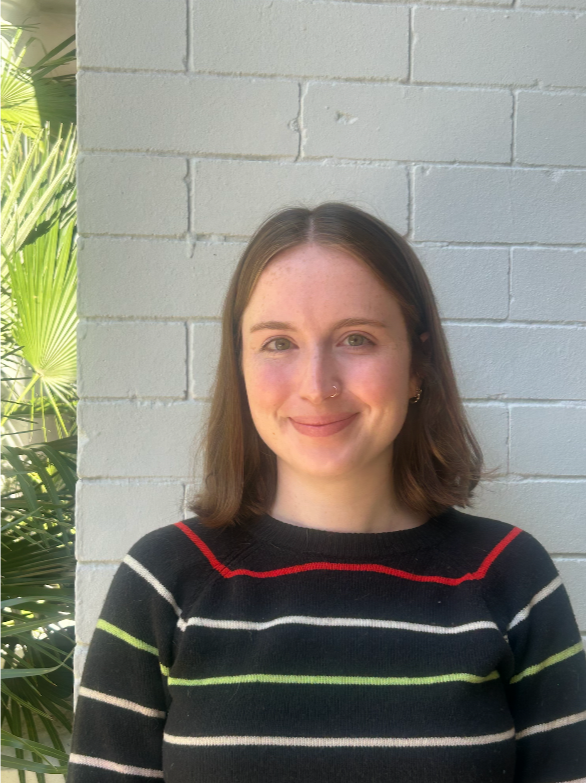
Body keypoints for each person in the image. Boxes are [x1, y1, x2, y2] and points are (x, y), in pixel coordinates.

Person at [68, 203, 586, 782]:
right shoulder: (164, 579)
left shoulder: (511, 576)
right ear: (239, 366)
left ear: (417, 366)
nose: (318, 386)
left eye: (357, 338)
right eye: (278, 343)